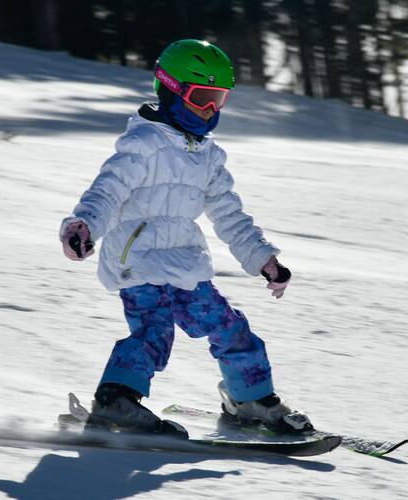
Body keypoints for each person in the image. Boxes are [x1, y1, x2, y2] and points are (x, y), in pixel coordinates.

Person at [58, 40, 311, 437]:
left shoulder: (207, 155)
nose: (210, 110)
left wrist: (262, 258)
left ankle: (250, 398)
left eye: (218, 99)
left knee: (229, 327)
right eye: (201, 98)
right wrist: (84, 225)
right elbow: (108, 189)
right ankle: (115, 402)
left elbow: (229, 212)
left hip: (184, 263)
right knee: (153, 332)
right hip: (137, 260)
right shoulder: (142, 145)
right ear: (172, 90)